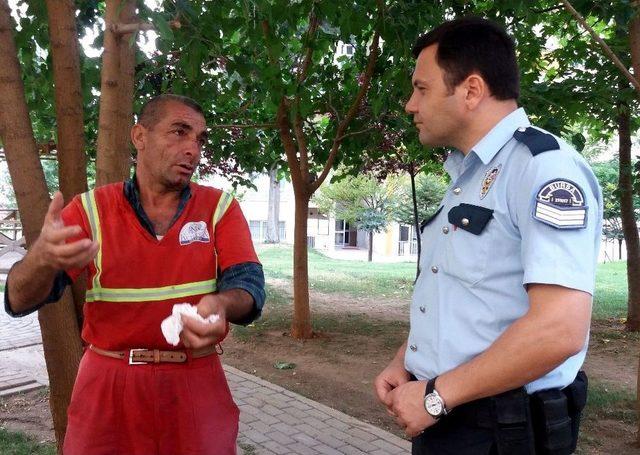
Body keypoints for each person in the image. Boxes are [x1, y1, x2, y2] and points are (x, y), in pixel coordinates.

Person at [374, 17, 602, 455]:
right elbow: (461, 295)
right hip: (450, 412)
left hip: (503, 430)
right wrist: (407, 361)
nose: (409, 105)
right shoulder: (469, 174)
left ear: (472, 91)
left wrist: (437, 396)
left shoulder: (542, 169)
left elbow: (559, 329)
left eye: (421, 89)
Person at [4, 94, 265, 455]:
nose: (193, 149)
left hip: (195, 380)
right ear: (139, 137)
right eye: (179, 132)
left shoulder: (219, 207)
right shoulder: (91, 210)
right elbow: (17, 299)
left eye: (199, 139)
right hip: (108, 382)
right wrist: (41, 261)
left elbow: (249, 285)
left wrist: (222, 303)